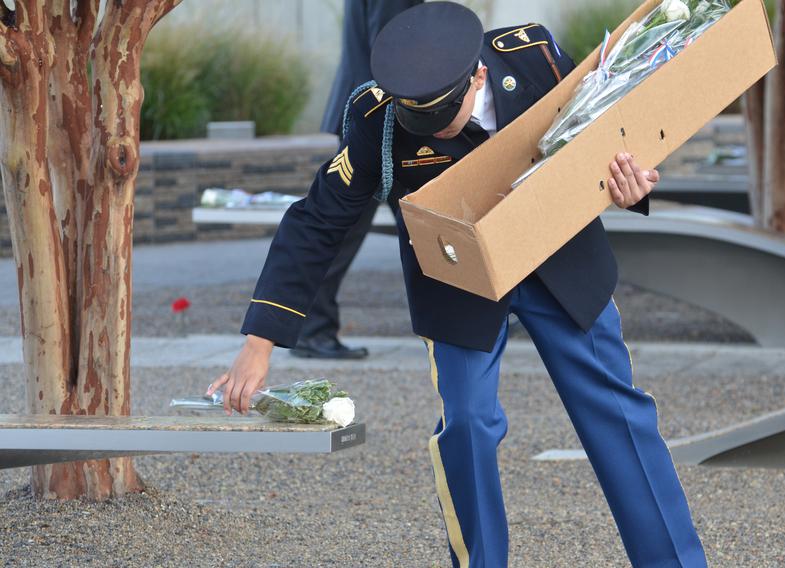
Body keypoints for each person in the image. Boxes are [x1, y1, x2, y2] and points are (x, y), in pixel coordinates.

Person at [211, 3, 707, 566]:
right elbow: (315, 220)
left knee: (620, 417)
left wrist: (631, 185)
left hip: (560, 261)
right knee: (466, 429)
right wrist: (260, 342)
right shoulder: (380, 117)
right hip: (456, 282)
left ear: (477, 76)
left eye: (447, 115)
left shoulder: (535, 55)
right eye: (424, 122)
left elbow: (606, 139)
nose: (438, 130)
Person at [292, 0, 422, 360]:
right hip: (380, 117)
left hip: (372, 111)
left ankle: (311, 329)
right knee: (353, 225)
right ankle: (310, 330)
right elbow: (392, 46)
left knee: (419, 219)